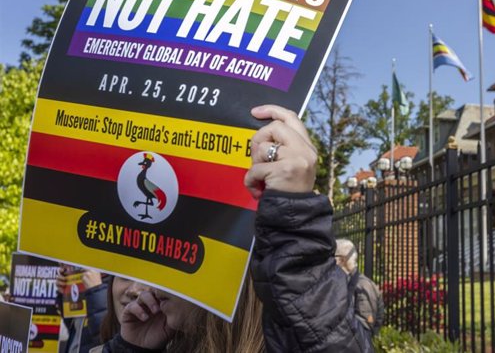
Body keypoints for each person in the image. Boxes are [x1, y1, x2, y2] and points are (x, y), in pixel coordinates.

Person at [100, 105, 373, 352]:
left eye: (180, 252)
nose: (153, 280)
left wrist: (296, 232)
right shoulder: (158, 341)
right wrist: (129, 349)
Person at [335, 239, 385, 336]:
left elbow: (364, 326)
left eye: (333, 258)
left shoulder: (363, 285)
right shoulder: (349, 281)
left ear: (342, 260)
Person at [56, 267, 109, 353]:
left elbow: (108, 338)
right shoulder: (84, 274)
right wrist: (64, 293)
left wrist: (96, 290)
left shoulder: (115, 283)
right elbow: (75, 325)